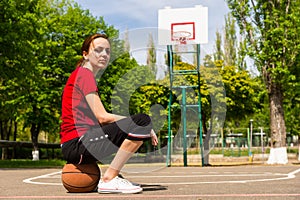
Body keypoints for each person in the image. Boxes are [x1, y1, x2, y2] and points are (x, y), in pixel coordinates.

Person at [60, 32, 158, 194]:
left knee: (137, 124)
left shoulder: (82, 75)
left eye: (107, 51)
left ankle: (114, 176)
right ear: (85, 54)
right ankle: (109, 178)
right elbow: (103, 117)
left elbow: (99, 122)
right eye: (98, 50)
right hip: (77, 144)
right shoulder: (84, 75)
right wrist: (141, 125)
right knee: (142, 120)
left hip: (76, 144)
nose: (104, 54)